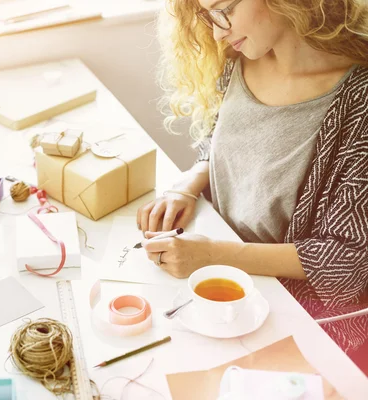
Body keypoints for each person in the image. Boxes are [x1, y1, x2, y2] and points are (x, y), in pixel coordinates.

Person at [138, 0, 368, 371]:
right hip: (218, 273)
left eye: (223, 9)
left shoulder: (360, 104)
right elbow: (225, 140)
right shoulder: (241, 57)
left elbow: (344, 263)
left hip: (297, 317)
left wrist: (213, 255)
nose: (216, 31)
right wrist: (190, 181)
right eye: (206, 16)